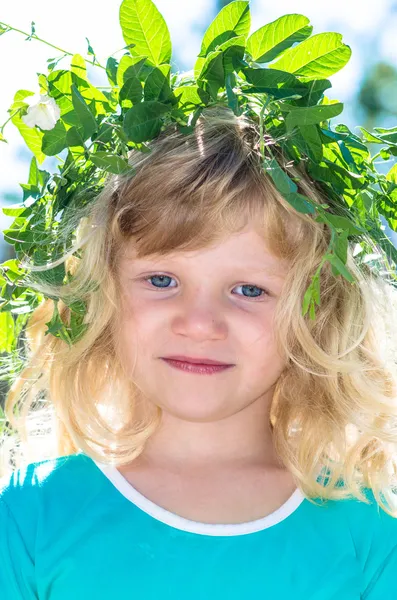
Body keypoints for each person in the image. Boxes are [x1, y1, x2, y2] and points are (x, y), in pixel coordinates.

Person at [1, 106, 397, 598]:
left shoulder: (369, 533)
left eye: (249, 290)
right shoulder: (31, 516)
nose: (199, 324)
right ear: (101, 294)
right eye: (162, 280)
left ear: (314, 313)